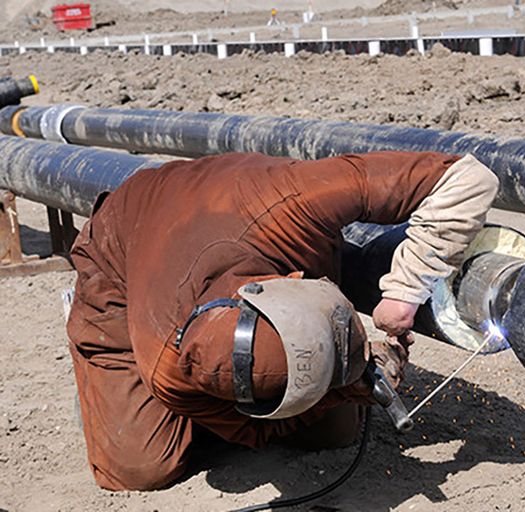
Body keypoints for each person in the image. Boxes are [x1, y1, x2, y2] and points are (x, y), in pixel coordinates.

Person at [66, 150, 498, 491]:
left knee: (333, 435)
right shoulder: (166, 363)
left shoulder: (294, 203)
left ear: (294, 283)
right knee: (141, 470)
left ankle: (259, 392)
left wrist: (404, 292)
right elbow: (248, 434)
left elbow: (468, 178)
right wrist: (342, 390)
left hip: (226, 200)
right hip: (120, 265)